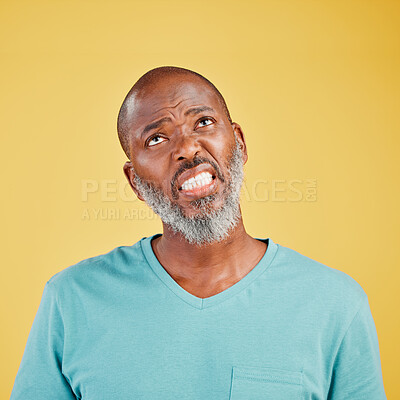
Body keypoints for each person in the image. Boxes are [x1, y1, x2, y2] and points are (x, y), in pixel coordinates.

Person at [11, 66, 386, 399]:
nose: (188, 148)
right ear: (135, 182)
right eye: (156, 139)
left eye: (203, 122)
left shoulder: (336, 304)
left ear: (238, 143)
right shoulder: (71, 300)